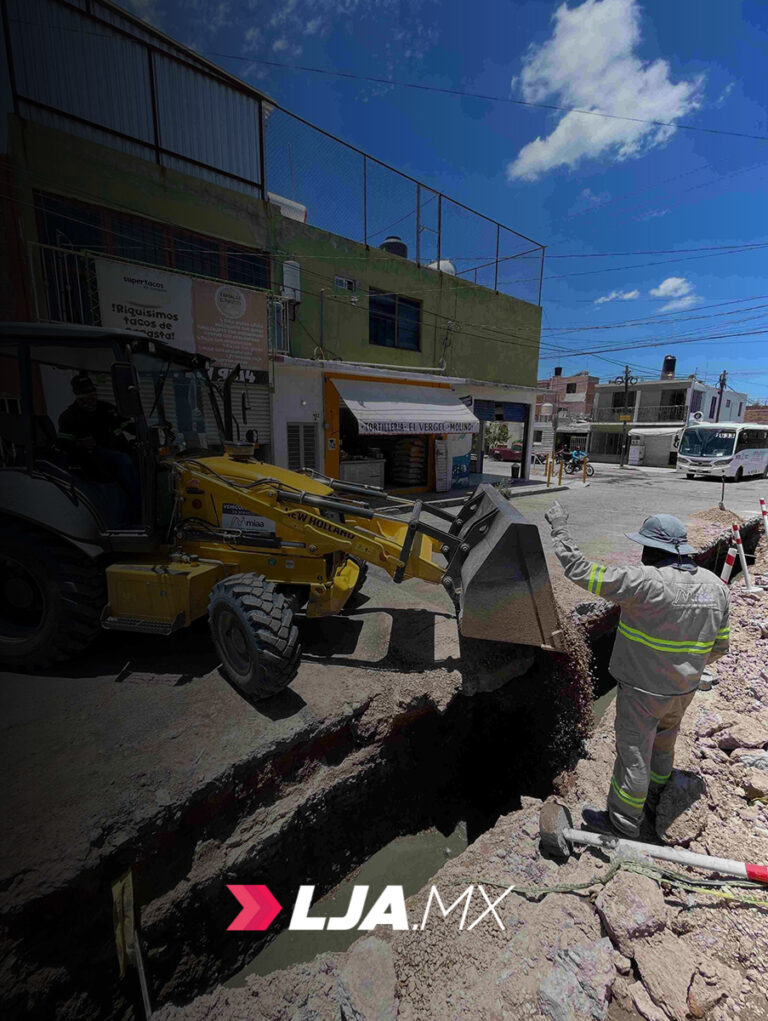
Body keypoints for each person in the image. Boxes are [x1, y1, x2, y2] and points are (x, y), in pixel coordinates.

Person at [544, 501, 730, 838]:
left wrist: (559, 528)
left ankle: (624, 822)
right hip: (683, 690)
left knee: (633, 756)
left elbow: (582, 571)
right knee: (664, 745)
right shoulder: (716, 587)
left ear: (655, 549)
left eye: (645, 546)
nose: (642, 554)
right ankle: (656, 797)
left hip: (643, 692)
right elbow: (719, 646)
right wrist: (684, 669)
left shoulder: (645, 582)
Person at [58, 373, 140, 520]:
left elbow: (130, 427)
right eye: (87, 394)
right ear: (77, 395)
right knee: (123, 460)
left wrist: (147, 432)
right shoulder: (69, 416)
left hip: (121, 449)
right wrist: (79, 443)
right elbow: (63, 443)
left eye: (93, 392)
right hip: (94, 459)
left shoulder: (107, 409)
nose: (92, 398)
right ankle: (140, 506)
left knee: (144, 456)